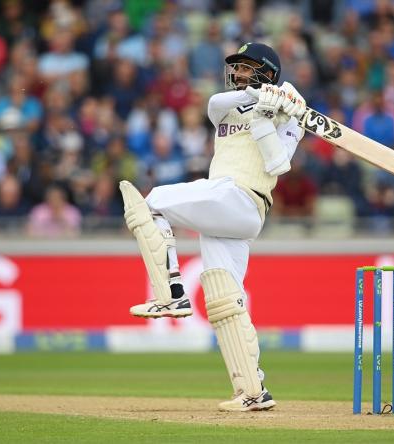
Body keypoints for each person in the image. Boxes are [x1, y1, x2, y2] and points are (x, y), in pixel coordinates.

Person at [119, 42, 306, 412]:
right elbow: (218, 105)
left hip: (243, 197)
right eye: (235, 68)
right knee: (223, 298)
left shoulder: (290, 113)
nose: (237, 74)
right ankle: (253, 391)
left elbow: (278, 165)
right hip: (226, 210)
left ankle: (170, 292)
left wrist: (278, 112)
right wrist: (265, 100)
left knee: (152, 200)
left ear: (267, 70)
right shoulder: (222, 107)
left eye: (246, 68)